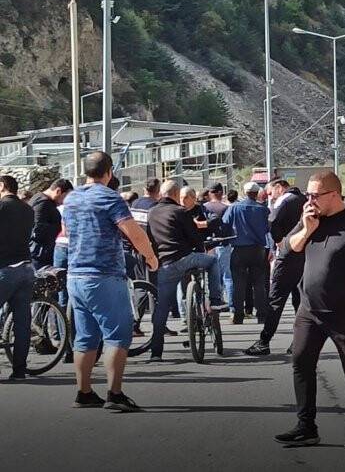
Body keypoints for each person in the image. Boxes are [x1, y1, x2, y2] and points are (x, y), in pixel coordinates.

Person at [274, 170, 345, 448]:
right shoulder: (310, 217)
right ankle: (306, 426)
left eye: (315, 195)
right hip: (309, 309)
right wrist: (307, 228)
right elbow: (287, 249)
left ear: (334, 194)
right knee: (301, 362)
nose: (309, 200)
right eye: (307, 194)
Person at [62, 152, 158, 411]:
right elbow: (133, 232)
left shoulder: (71, 198)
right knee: (117, 334)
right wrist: (150, 257)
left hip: (76, 275)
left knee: (85, 337)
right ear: (109, 172)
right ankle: (115, 394)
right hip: (104, 275)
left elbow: (68, 231)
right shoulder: (109, 197)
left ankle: (84, 392)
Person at [146, 180, 225, 361]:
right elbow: (194, 236)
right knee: (212, 262)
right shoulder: (180, 212)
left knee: (162, 307)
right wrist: (200, 248)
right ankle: (215, 300)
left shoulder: (152, 212)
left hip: (165, 263)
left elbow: (150, 236)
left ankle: (156, 352)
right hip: (184, 258)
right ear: (175, 194)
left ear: (161, 194)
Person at [246, 180, 308, 356]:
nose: (270, 197)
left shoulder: (284, 199)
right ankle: (299, 341)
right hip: (305, 254)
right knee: (300, 300)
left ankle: (264, 341)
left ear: (279, 187)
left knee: (276, 300)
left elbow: (272, 221)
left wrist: (280, 241)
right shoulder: (304, 199)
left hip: (288, 255)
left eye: (270, 193)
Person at [0, 175, 35, 380]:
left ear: (2, 186)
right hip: (26, 267)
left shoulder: (2, 207)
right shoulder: (28, 209)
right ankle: (19, 369)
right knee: (22, 322)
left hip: (5, 268)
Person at [223, 182, 271, 325]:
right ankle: (262, 315)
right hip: (258, 249)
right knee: (259, 283)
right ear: (257, 194)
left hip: (239, 249)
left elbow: (225, 224)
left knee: (238, 284)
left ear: (244, 192)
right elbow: (268, 228)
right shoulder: (263, 209)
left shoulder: (234, 208)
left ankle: (238, 315)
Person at [202, 184, 235, 312]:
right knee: (227, 275)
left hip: (208, 245)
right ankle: (231, 306)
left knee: (211, 275)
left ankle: (214, 301)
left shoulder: (204, 207)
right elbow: (229, 226)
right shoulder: (226, 208)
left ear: (210, 193)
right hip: (223, 243)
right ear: (221, 193)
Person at [29, 178, 74, 270]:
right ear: (58, 191)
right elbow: (37, 229)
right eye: (65, 197)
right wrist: (58, 228)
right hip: (39, 254)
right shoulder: (43, 203)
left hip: (40, 252)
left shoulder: (42, 200)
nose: (64, 202)